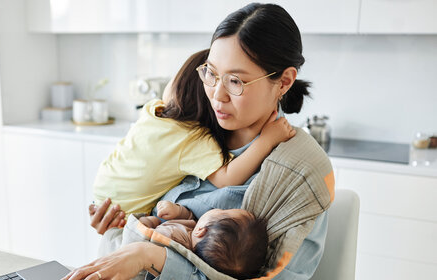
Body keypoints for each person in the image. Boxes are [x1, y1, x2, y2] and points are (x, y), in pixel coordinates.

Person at [54, 3, 328, 280]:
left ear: (285, 81)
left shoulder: (300, 173)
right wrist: (116, 221)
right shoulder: (189, 127)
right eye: (211, 74)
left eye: (235, 81)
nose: (217, 95)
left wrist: (151, 256)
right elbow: (138, 221)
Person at [93, 48, 294, 216]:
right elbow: (228, 178)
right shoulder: (192, 138)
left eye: (234, 81)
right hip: (123, 213)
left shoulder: (153, 109)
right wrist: (267, 140)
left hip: (102, 192)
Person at [118, 200, 268, 280]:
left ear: (202, 230)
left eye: (222, 211)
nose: (219, 209)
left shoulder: (169, 236)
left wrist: (149, 221)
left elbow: (144, 237)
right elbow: (191, 220)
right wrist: (178, 211)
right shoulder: (196, 240)